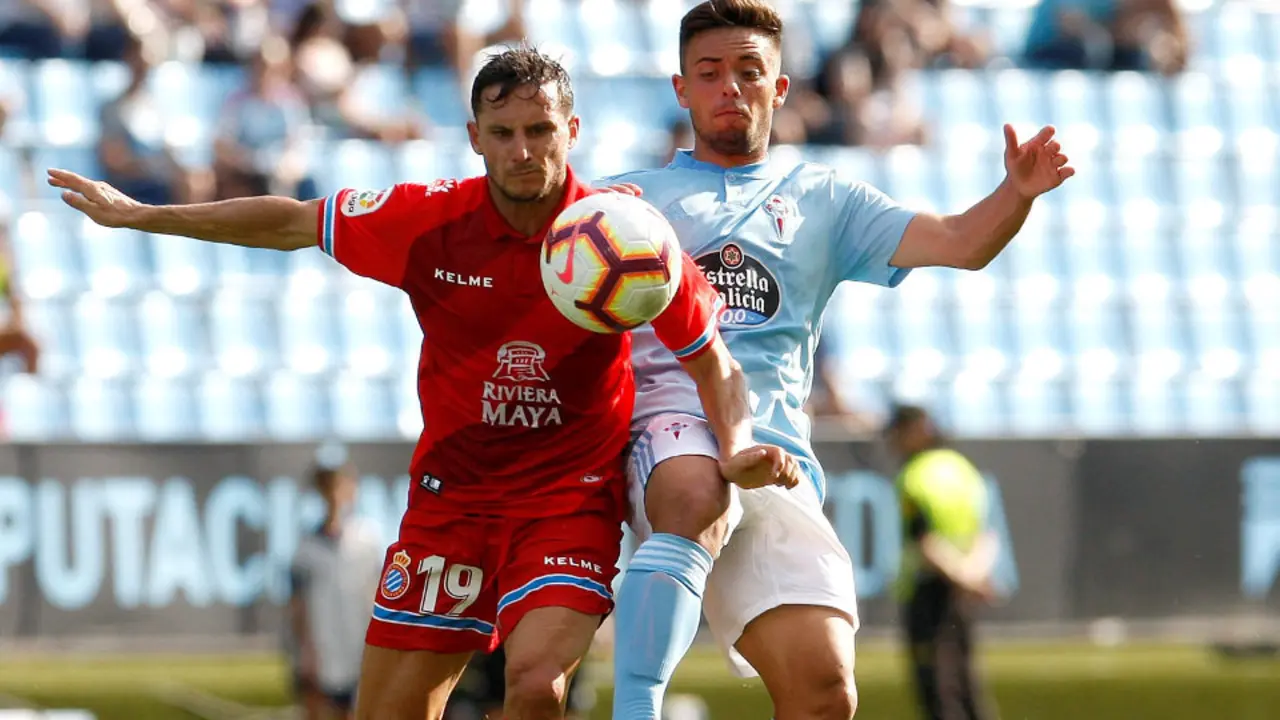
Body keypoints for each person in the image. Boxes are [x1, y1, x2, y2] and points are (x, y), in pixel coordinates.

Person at [49, 45, 800, 720]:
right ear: (474, 137)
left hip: (568, 501)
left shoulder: (628, 236)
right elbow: (292, 222)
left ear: (571, 132)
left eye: (540, 130)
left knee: (538, 686)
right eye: (502, 133)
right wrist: (145, 216)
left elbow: (713, 362)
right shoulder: (430, 220)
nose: (522, 151)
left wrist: (735, 444)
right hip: (453, 504)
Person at [600, 2, 1073, 718]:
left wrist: (1017, 193)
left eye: (749, 71)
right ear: (681, 89)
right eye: (710, 72)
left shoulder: (823, 199)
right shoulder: (626, 203)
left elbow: (960, 242)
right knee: (697, 491)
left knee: (825, 693)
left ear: (780, 87)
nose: (730, 87)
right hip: (670, 439)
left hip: (777, 461)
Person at [884, 404, 999, 720]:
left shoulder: (913, 477)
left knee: (937, 688)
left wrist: (962, 576)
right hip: (963, 592)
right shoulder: (963, 469)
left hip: (929, 592)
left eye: (896, 432)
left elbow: (926, 544)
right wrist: (973, 576)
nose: (891, 441)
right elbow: (986, 533)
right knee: (967, 682)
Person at [288, 457, 386, 720]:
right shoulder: (306, 548)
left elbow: (379, 593)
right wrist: (305, 650)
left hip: (361, 645)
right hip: (323, 649)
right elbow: (298, 605)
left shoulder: (368, 539)